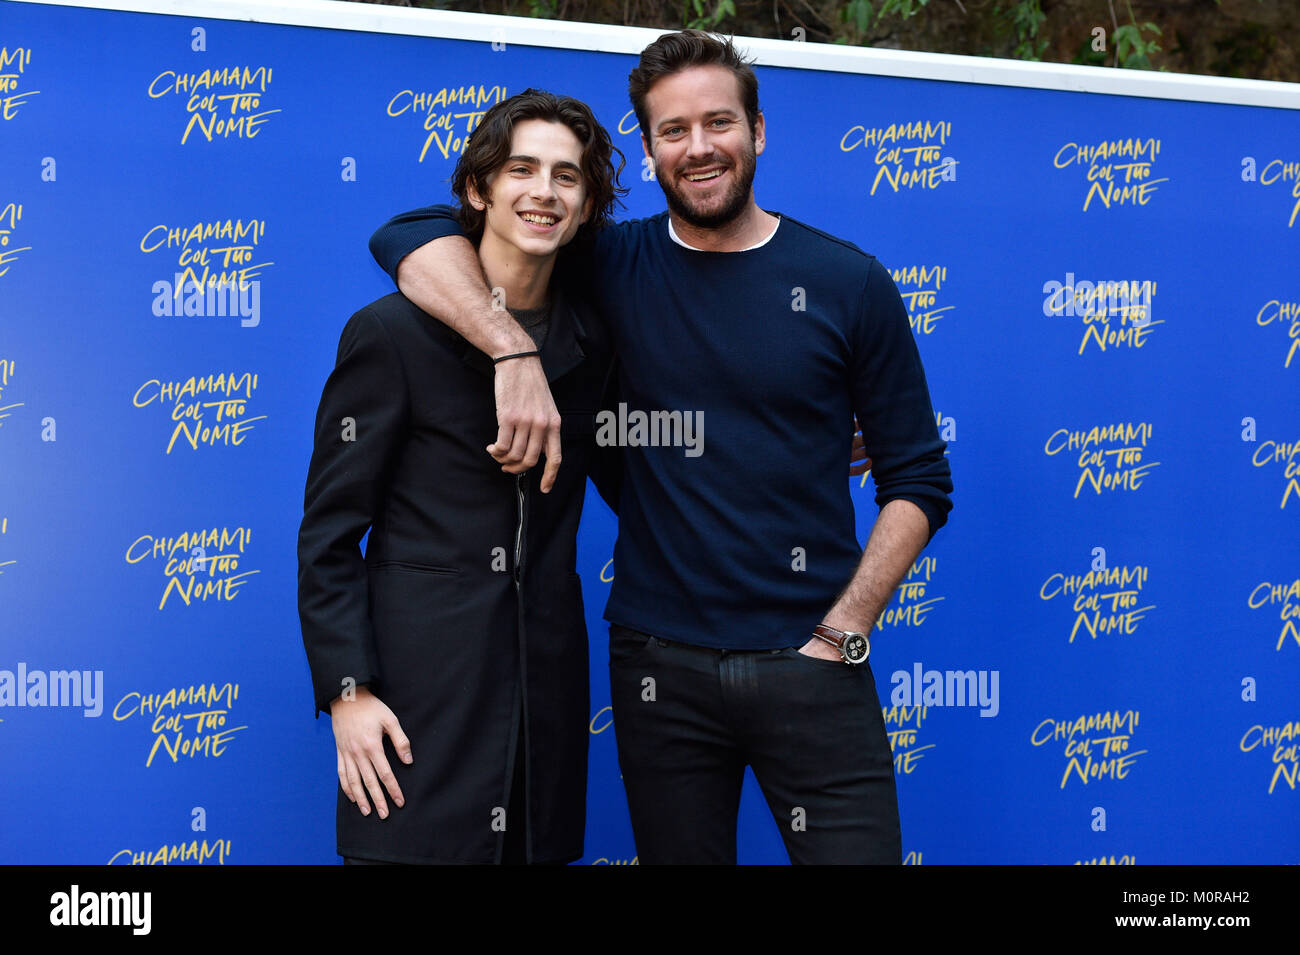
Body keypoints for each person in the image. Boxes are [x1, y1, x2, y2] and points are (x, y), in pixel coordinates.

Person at [368, 30, 954, 864]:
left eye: (719, 122)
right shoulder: (607, 261)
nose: (699, 147)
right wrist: (509, 345)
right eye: (673, 130)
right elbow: (411, 234)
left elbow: (919, 480)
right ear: (648, 149)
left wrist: (843, 632)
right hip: (659, 669)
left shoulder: (847, 282)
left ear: (759, 131)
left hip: (816, 665)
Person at [297, 89, 627, 864]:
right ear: (478, 190)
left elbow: (644, 465)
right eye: (521, 170)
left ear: (585, 206)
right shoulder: (389, 336)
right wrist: (348, 690)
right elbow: (330, 534)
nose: (544, 191)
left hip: (542, 717)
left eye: (567, 177)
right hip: (415, 715)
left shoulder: (595, 344)